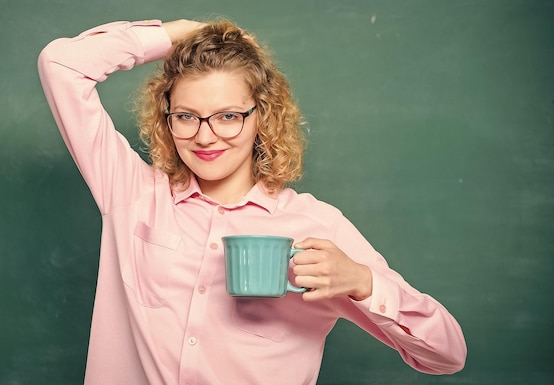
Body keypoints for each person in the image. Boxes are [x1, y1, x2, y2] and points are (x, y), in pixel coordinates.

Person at [38, 17, 467, 385]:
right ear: (165, 117)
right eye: (186, 116)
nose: (205, 137)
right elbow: (61, 65)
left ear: (262, 114)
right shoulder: (132, 194)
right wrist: (187, 33)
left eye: (228, 116)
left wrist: (363, 282)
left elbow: (447, 354)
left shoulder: (316, 226)